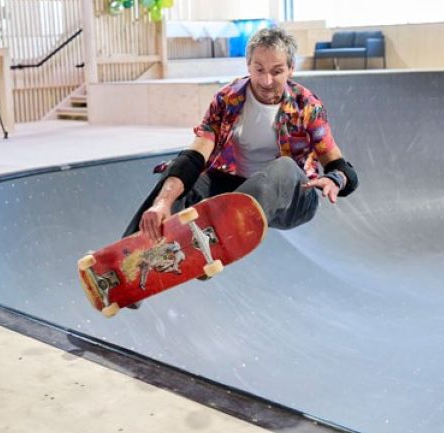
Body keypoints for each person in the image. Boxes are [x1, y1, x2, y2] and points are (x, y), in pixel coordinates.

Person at [122, 27, 358, 302]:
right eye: (259, 69)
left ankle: (212, 242)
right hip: (237, 191)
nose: (267, 81)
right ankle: (130, 261)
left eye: (277, 71)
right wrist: (163, 202)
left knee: (282, 166)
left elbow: (343, 168)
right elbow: (195, 155)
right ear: (248, 65)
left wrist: (335, 180)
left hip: (294, 198)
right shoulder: (227, 99)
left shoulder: (307, 105)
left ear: (291, 69)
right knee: (179, 173)